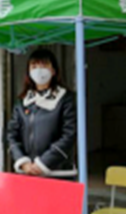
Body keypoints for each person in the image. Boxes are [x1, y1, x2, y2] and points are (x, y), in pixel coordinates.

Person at [6, 49, 77, 178]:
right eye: (34, 66)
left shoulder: (65, 98)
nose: (39, 70)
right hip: (28, 172)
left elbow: (69, 134)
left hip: (58, 172)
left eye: (44, 65)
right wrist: (23, 162)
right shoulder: (22, 101)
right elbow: (11, 135)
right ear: (28, 72)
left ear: (53, 70)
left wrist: (43, 163)